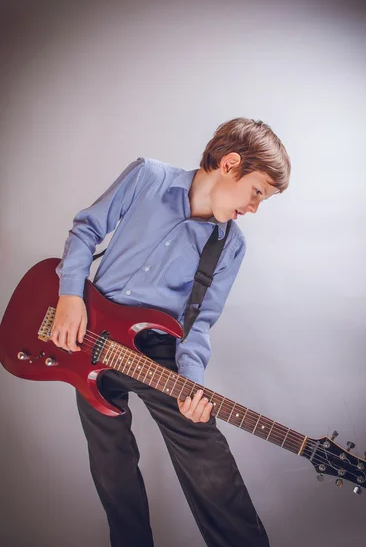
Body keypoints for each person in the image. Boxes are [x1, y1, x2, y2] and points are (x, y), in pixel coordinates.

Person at [51, 117, 291, 547]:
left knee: (209, 463)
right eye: (257, 192)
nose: (254, 209)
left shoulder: (230, 245)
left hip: (158, 350)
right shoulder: (147, 176)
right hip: (90, 336)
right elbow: (86, 229)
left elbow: (199, 322)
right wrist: (70, 294)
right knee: (113, 470)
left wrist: (192, 386)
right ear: (230, 164)